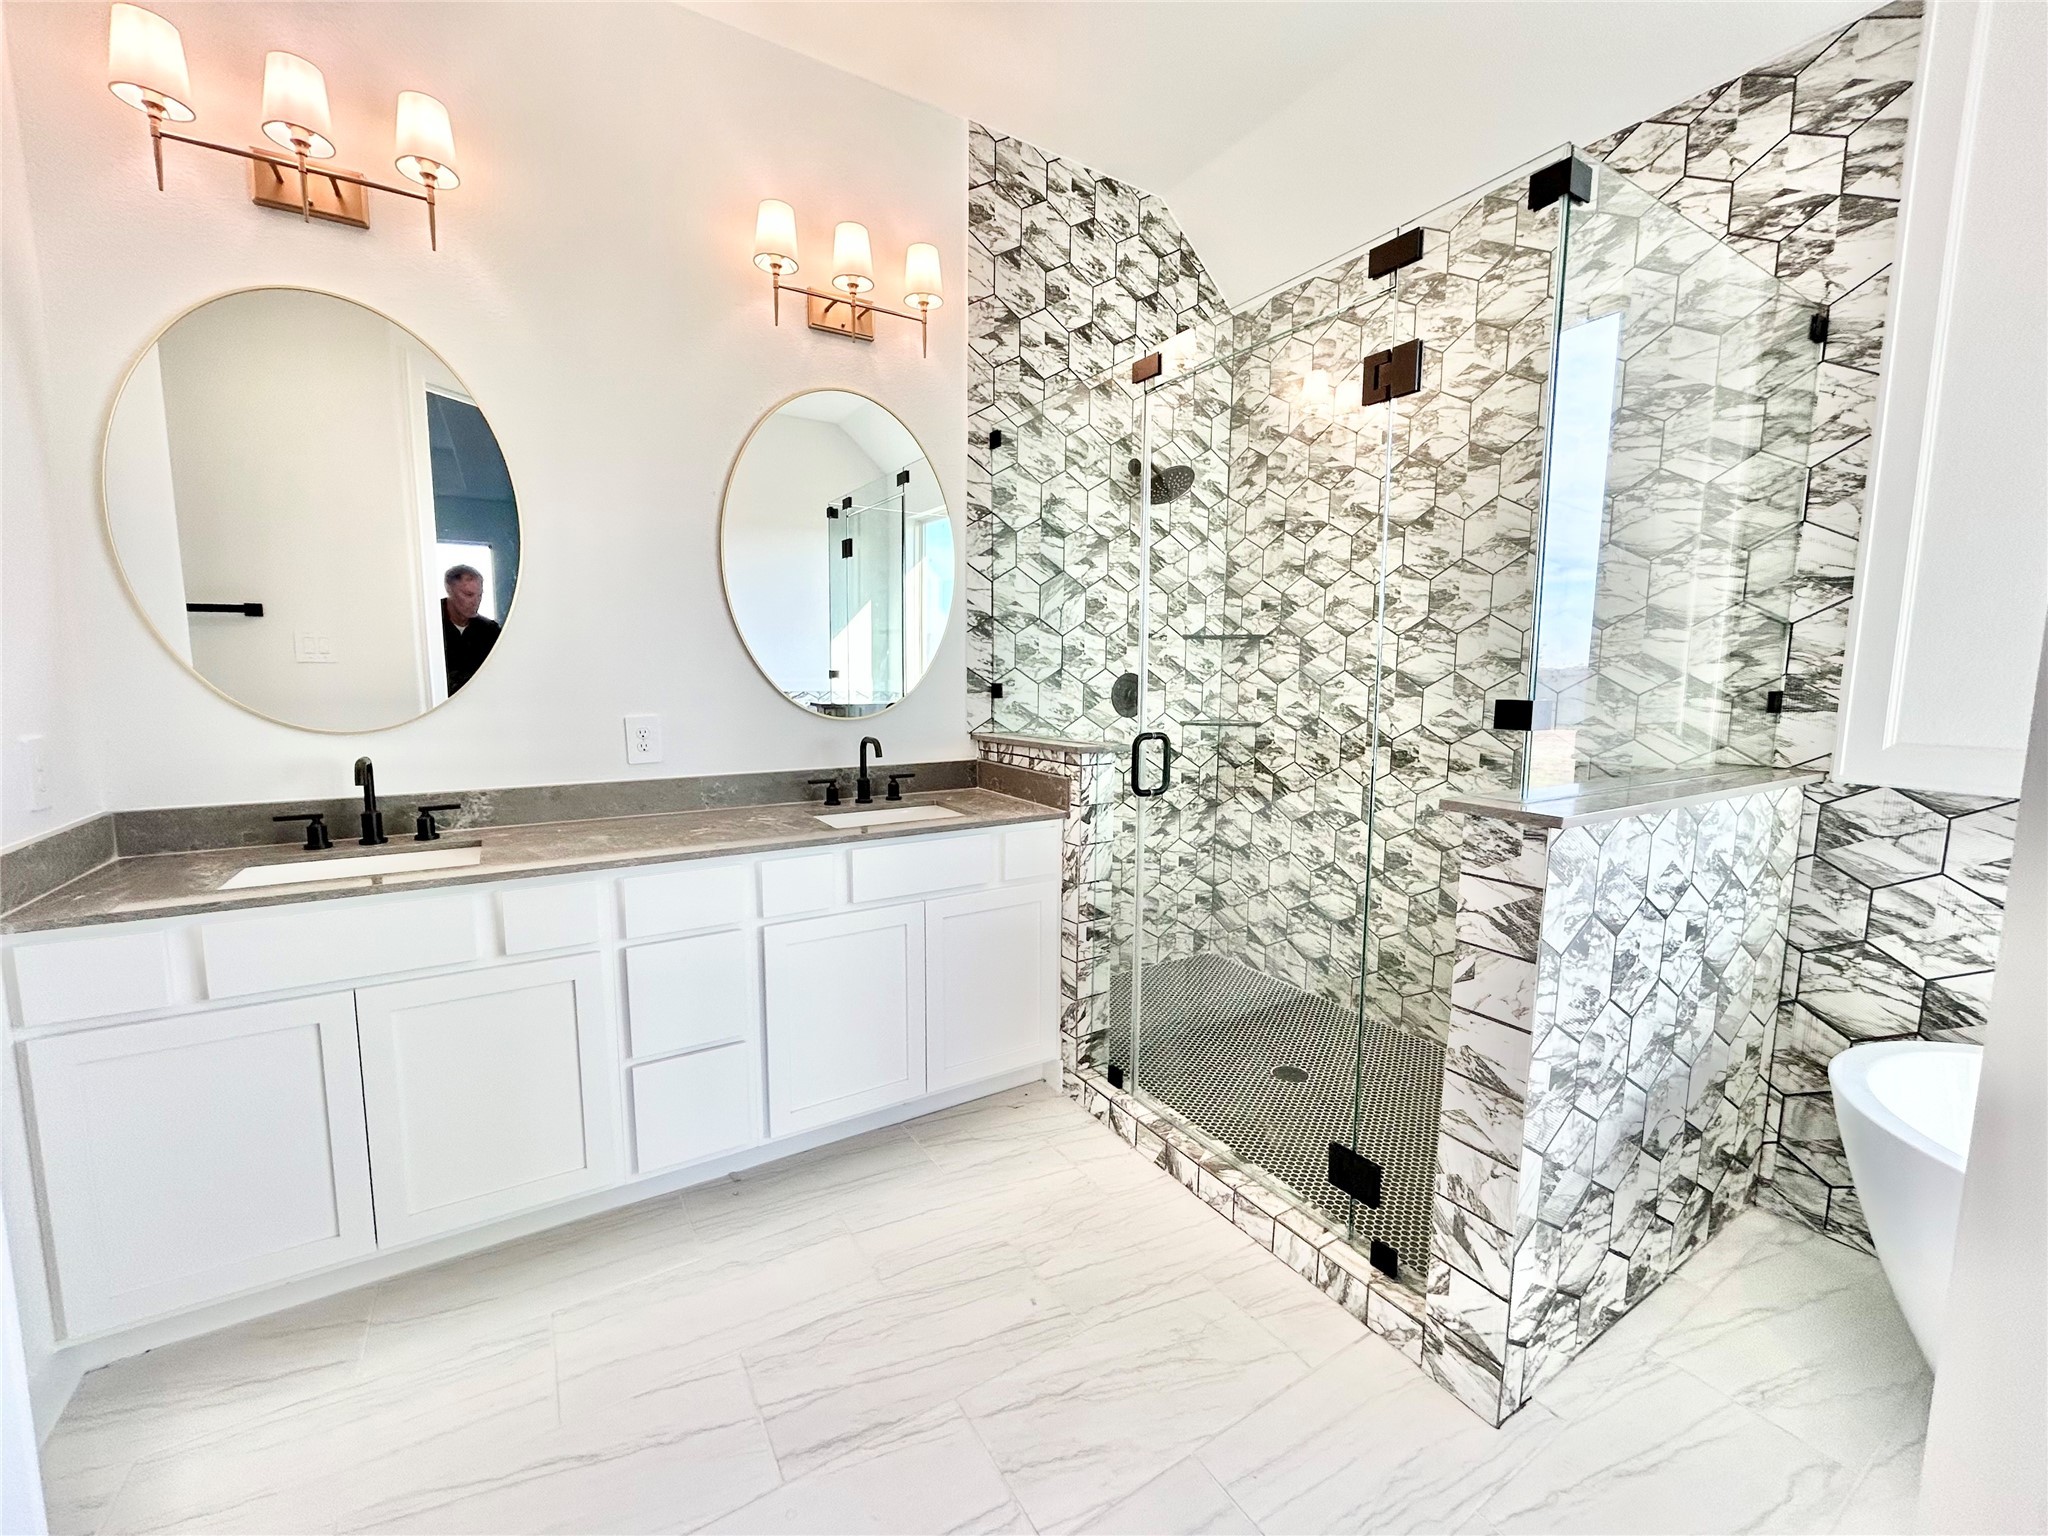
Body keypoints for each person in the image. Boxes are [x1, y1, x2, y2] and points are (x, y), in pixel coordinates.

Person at [440, 563, 501, 694]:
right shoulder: (428, 625)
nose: (476, 601)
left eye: (479, 595)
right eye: (468, 594)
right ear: (449, 589)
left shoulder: (490, 631)